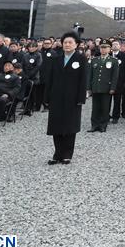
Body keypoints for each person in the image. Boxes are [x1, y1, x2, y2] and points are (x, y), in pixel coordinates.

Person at [43, 32, 88, 164]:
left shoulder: (81, 59)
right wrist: (47, 97)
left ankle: (67, 153)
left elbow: (83, 80)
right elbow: (49, 79)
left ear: (76, 44)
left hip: (72, 98)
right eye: (65, 42)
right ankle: (57, 153)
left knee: (70, 125)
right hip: (56, 96)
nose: (67, 44)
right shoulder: (56, 59)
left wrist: (81, 98)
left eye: (70, 42)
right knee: (55, 125)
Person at [87, 42, 119, 133]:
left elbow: (115, 76)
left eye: (105, 48)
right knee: (95, 107)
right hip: (96, 86)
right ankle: (94, 125)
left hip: (106, 87)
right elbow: (90, 75)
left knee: (105, 107)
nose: (103, 49)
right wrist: (89, 87)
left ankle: (103, 125)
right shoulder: (94, 60)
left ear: (109, 49)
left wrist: (113, 87)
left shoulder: (113, 60)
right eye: (102, 48)